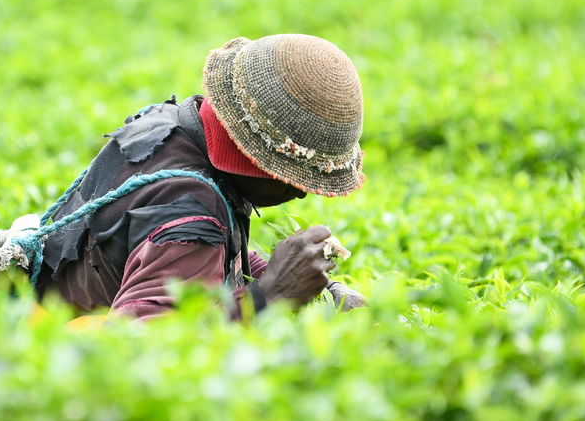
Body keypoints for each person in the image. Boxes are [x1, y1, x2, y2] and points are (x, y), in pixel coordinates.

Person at [33, 33, 367, 320]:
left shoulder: (171, 127)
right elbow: (146, 342)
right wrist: (272, 295)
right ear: (254, 159)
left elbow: (196, 261)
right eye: (296, 177)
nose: (301, 193)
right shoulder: (189, 215)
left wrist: (323, 290)